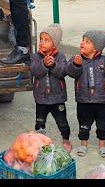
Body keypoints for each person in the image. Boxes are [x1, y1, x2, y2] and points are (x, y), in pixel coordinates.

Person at [66, 30, 105, 158]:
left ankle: (102, 145)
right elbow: (70, 72)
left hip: (101, 100)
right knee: (83, 123)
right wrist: (76, 65)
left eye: (87, 42)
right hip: (83, 100)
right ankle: (83, 144)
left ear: (96, 48)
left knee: (102, 123)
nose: (82, 43)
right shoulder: (77, 59)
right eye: (83, 40)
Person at [28, 24, 72, 152]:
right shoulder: (36, 57)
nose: (42, 42)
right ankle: (41, 142)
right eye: (41, 39)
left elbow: (63, 72)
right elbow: (35, 71)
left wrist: (53, 65)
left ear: (55, 44)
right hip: (41, 98)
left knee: (62, 122)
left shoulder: (60, 56)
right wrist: (43, 64)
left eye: (46, 40)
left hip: (57, 98)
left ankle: (66, 139)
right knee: (40, 122)